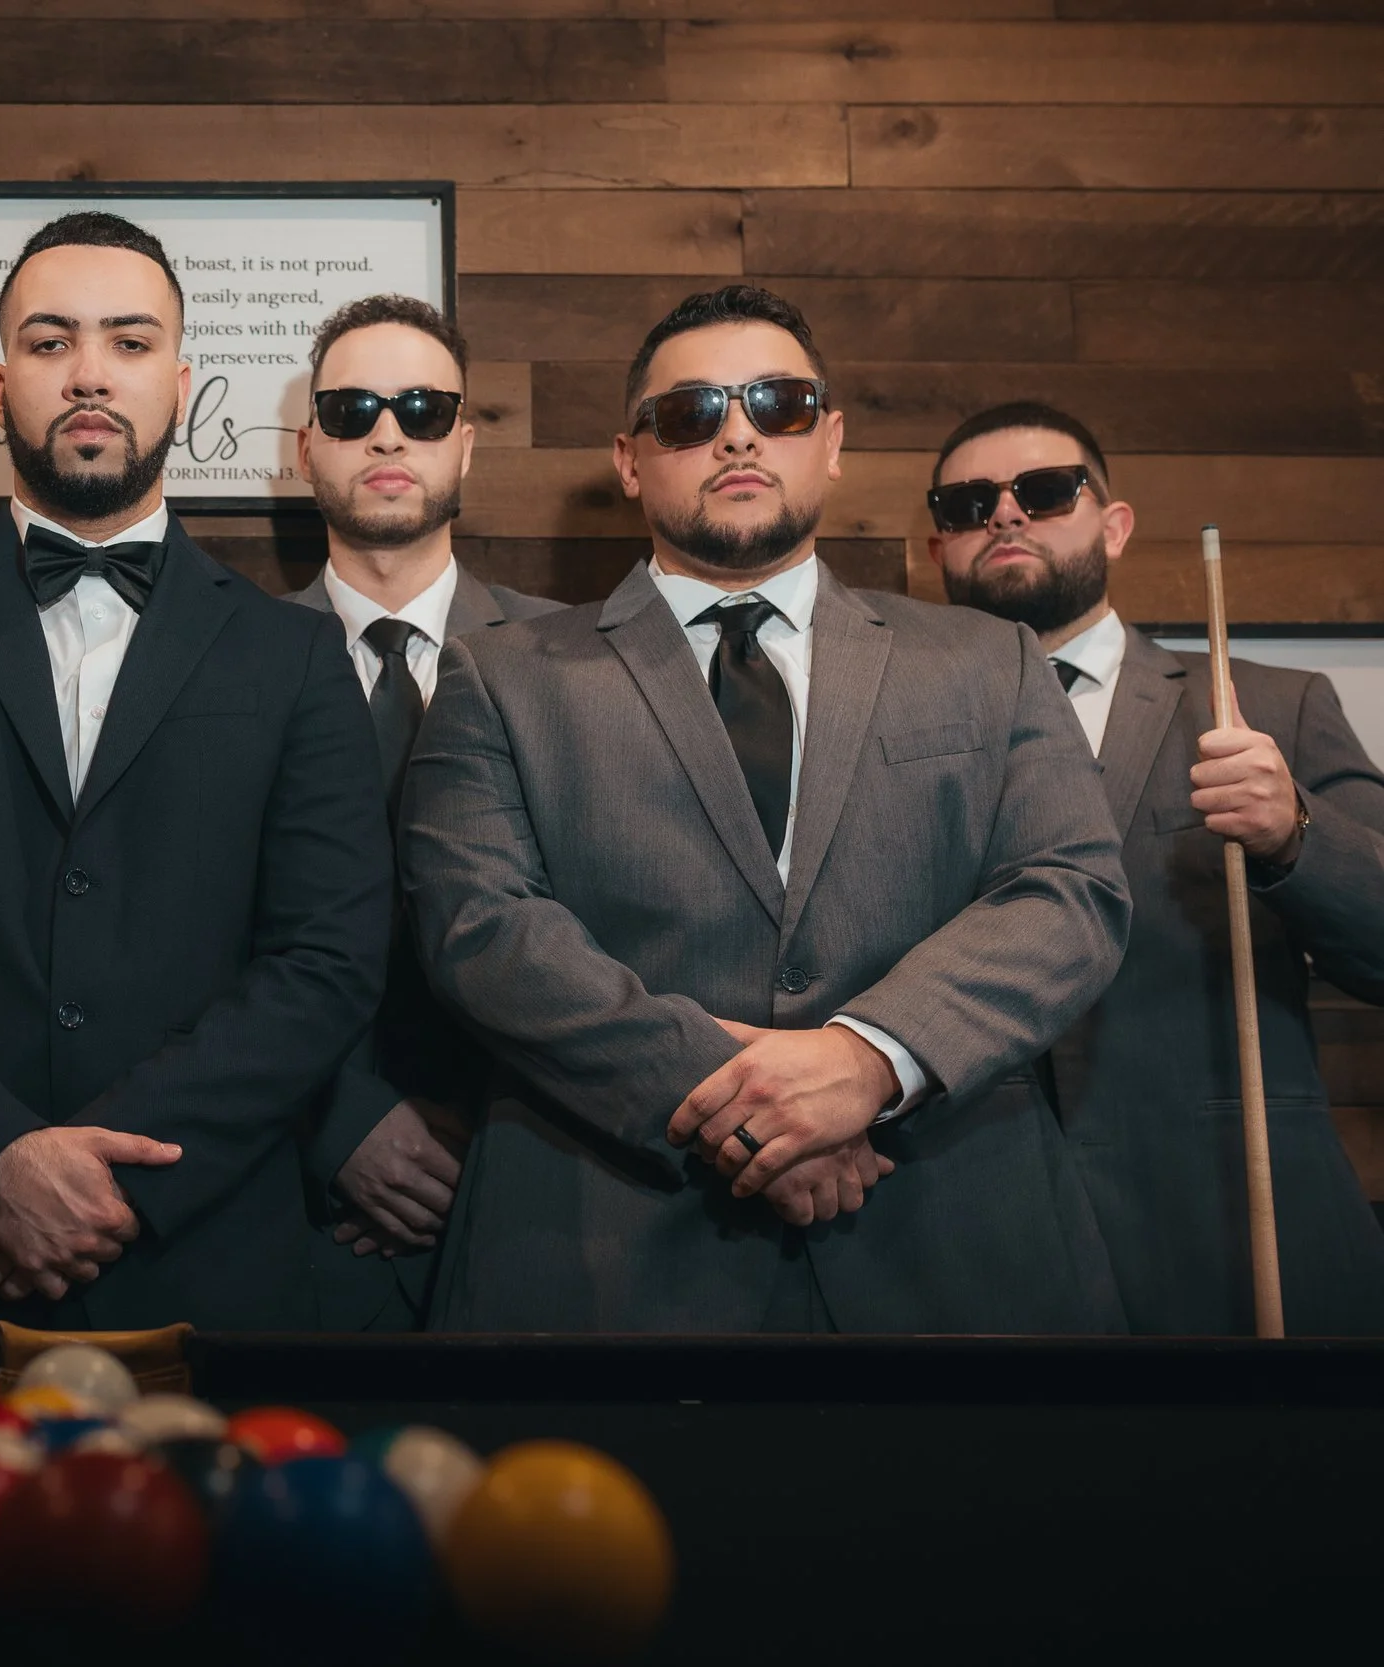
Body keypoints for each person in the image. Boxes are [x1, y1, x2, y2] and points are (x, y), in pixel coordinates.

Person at [400, 285, 1132, 1333]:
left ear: (828, 440)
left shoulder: (987, 660)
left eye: (778, 405)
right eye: (692, 412)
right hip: (607, 1256)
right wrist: (746, 1106)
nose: (737, 432)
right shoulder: (501, 676)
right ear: (629, 458)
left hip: (957, 1249)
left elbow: (1069, 892)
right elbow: (480, 930)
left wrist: (867, 1059)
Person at [0, 211, 393, 1328]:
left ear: (183, 381)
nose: (89, 373)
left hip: (199, 1252)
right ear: (0, 390)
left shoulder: (292, 654)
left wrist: (107, 1188)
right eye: (51, 344)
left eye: (130, 342)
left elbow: (327, 955)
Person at [933, 402, 1384, 1334]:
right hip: (983, 1245)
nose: (1005, 514)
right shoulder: (900, 737)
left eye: (1045, 490)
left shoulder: (1268, 703)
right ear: (938, 544)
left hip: (1234, 1226)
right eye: (969, 502)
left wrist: (1295, 831)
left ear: (1115, 522)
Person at [283, 294, 559, 1330]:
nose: (387, 432)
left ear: (466, 444)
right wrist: (337, 1121)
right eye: (351, 410)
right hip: (295, 1211)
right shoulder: (221, 662)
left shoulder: (580, 660)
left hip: (547, 1193)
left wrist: (503, 1142)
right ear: (306, 446)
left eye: (421, 409)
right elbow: (187, 935)